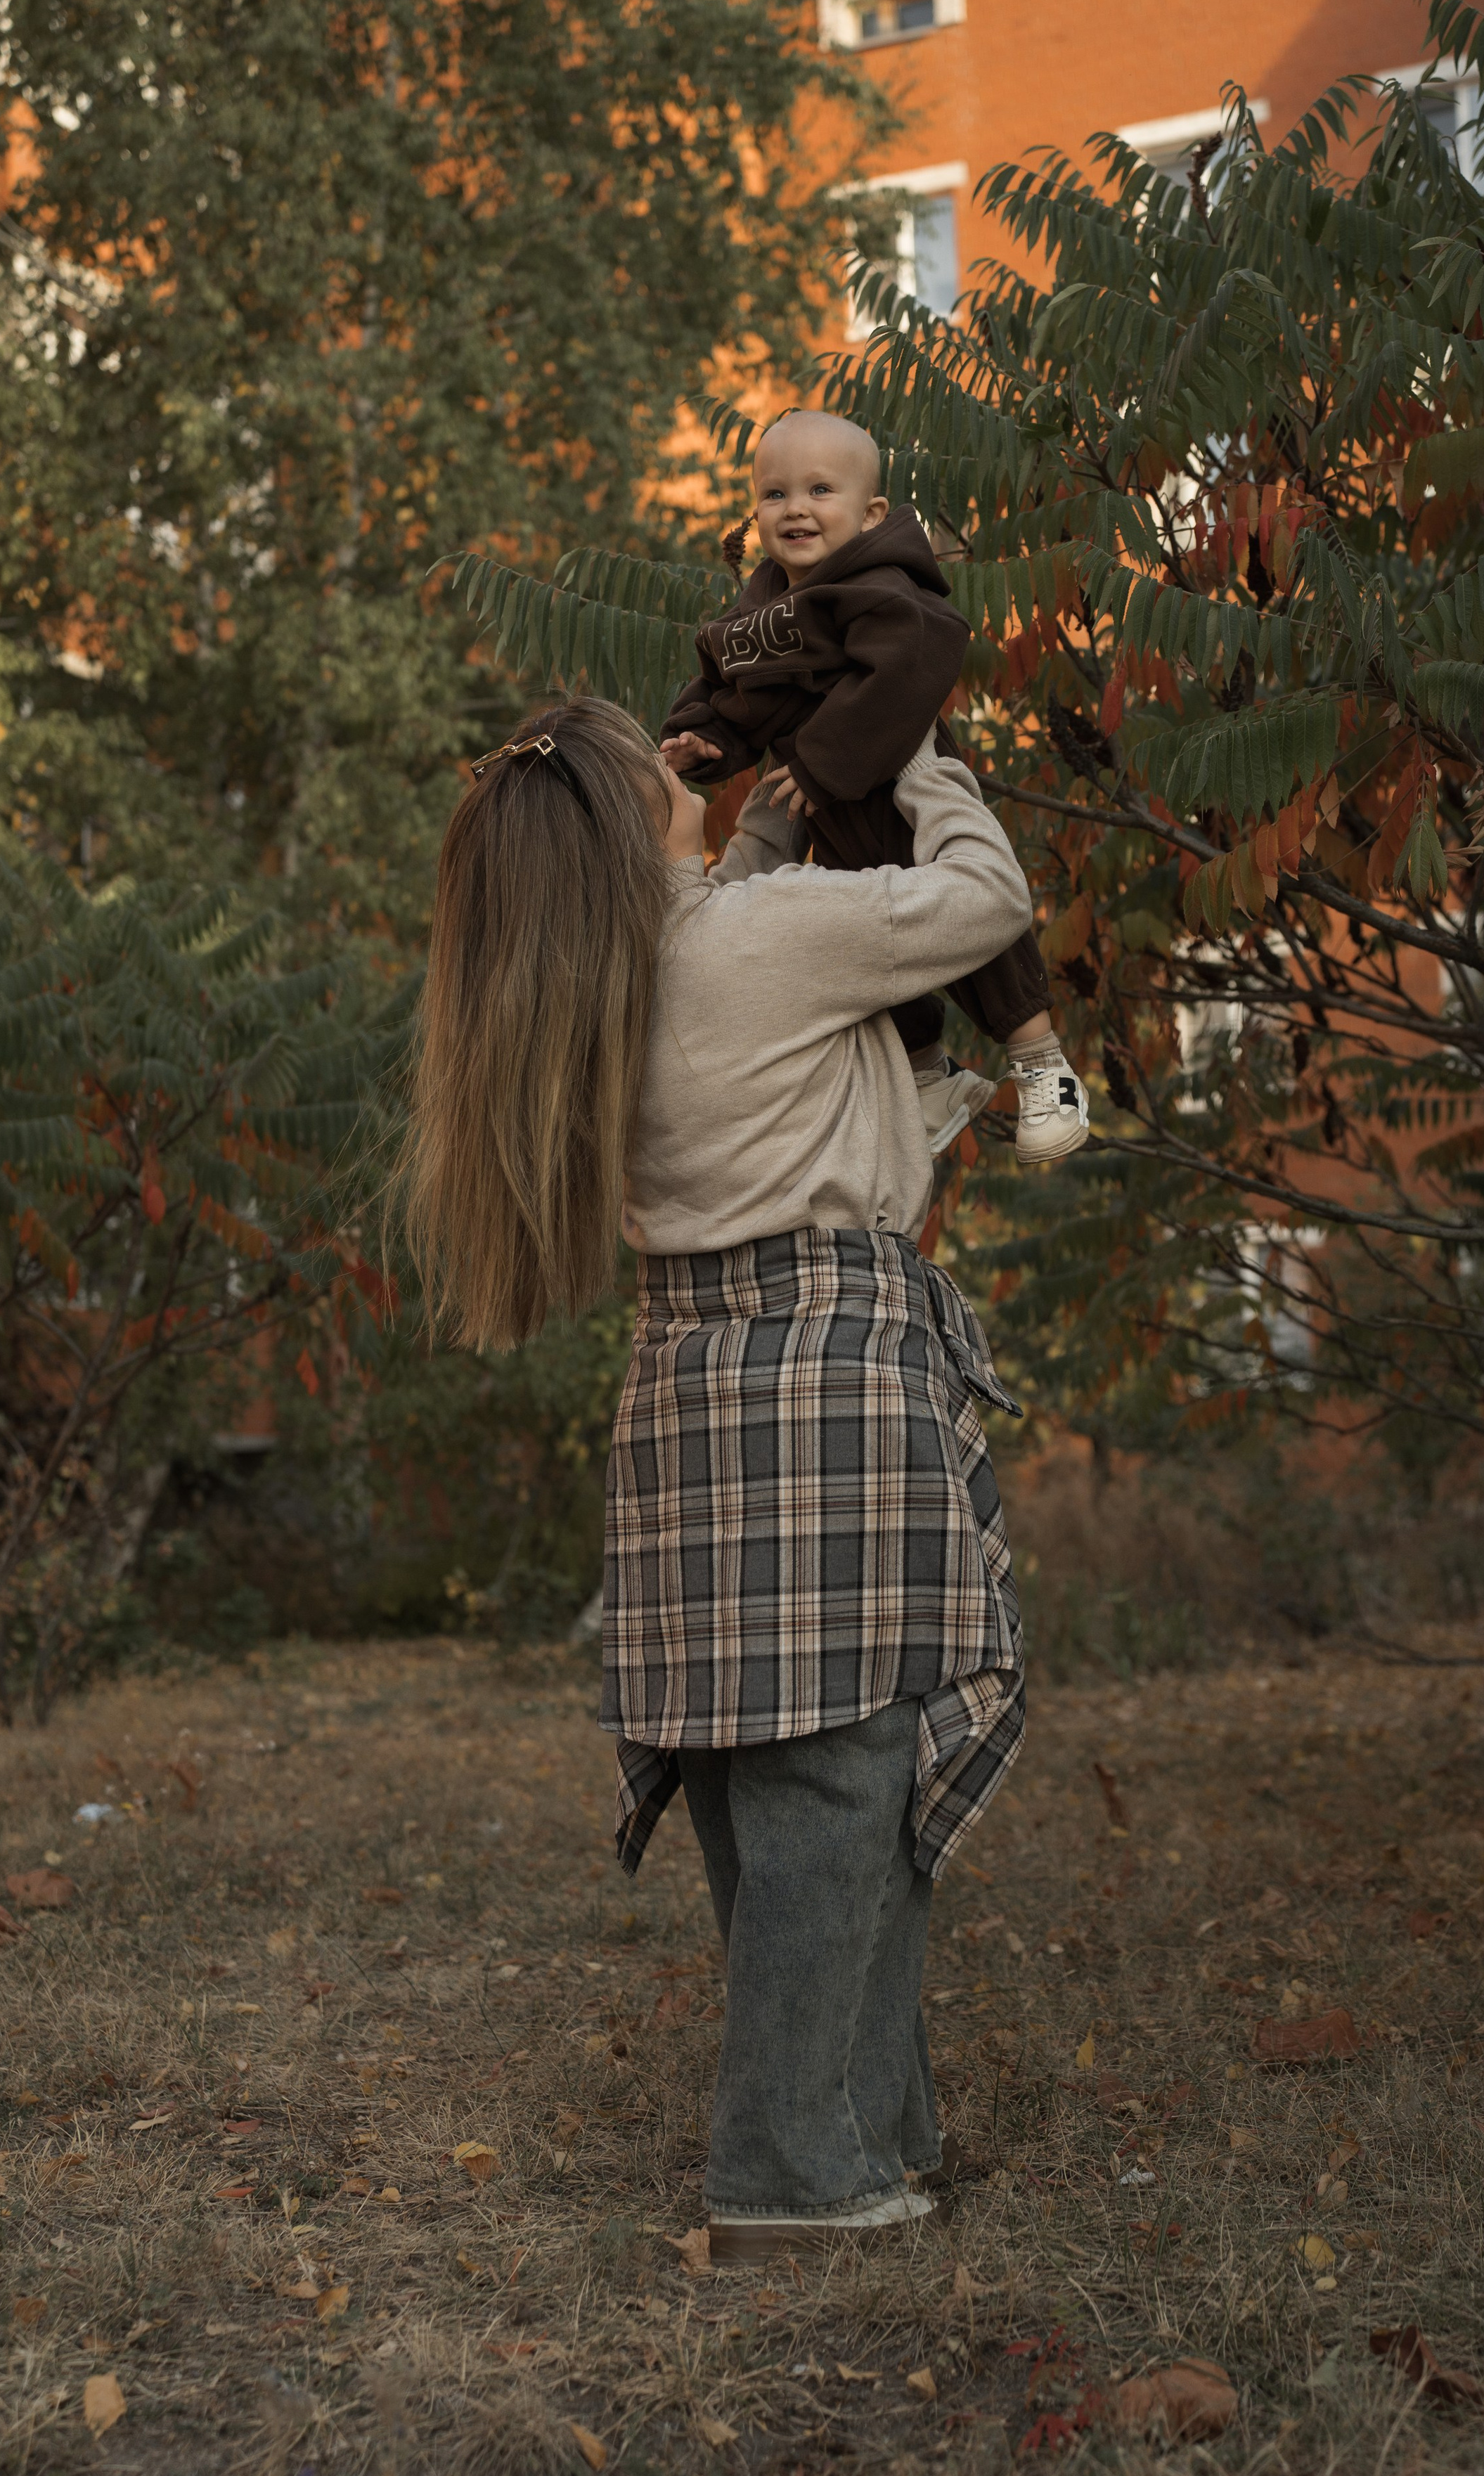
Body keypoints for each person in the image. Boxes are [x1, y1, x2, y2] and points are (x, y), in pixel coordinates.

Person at [397, 696, 1029, 2264]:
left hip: (686, 1383)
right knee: (840, 1780)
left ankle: (871, 2131)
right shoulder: (750, 948)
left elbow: (725, 910)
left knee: (765, 1782)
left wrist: (728, 812)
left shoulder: (592, 977)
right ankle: (788, 2170)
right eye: (657, 763)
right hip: (820, 1361)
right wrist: (915, 760)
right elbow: (983, 906)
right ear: (635, 812)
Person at [659, 407, 1090, 1165]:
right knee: (867, 956)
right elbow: (734, 684)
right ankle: (928, 1079)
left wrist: (826, 760)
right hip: (832, 816)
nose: (794, 508)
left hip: (898, 786)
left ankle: (1043, 1068)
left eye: (820, 489)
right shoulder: (763, 607)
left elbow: (915, 661)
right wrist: (707, 739)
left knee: (972, 923)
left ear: (872, 513)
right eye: (774, 494)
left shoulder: (882, 583)